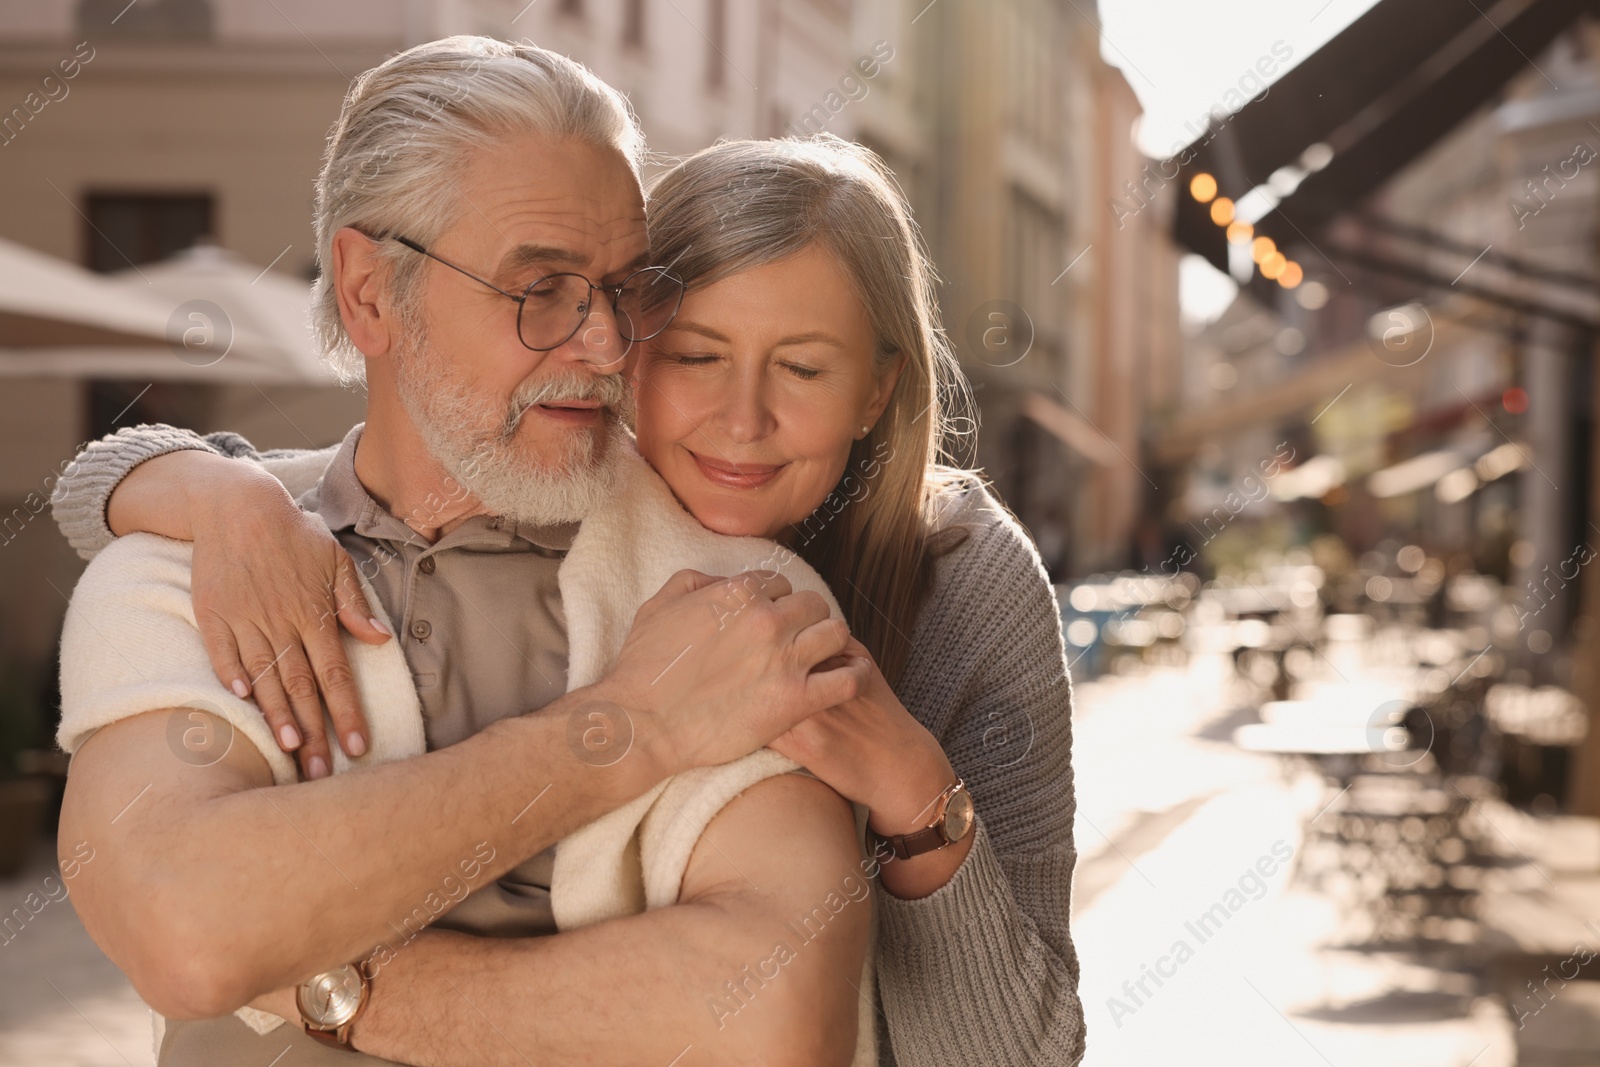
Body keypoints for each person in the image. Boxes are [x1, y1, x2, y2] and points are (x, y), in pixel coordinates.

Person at [53, 42, 1085, 1067]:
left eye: (621, 289)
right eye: (542, 287)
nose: (601, 346)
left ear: (875, 390)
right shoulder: (198, 554)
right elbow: (187, 931)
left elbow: (774, 1014)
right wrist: (628, 728)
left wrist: (311, 976)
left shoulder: (758, 606)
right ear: (369, 294)